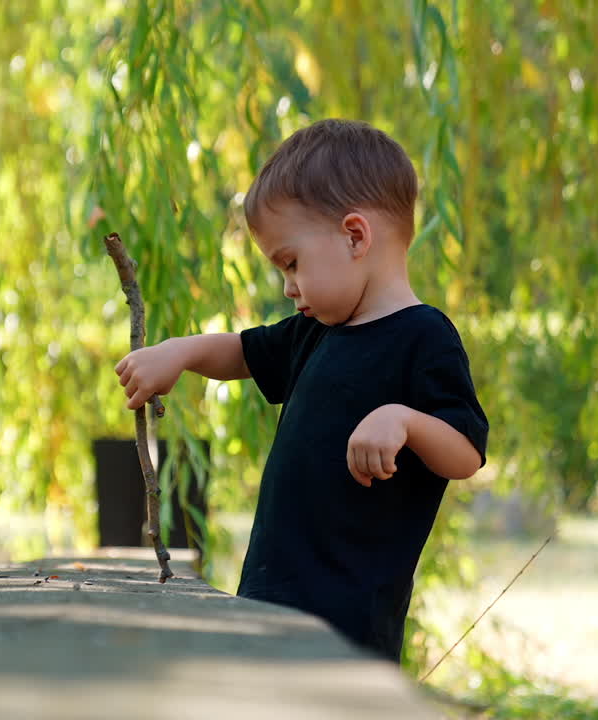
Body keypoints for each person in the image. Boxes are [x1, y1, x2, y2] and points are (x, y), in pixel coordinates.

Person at [112, 118, 488, 664]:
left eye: (291, 263)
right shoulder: (316, 332)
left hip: (348, 630)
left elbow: (466, 451)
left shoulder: (424, 337)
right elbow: (242, 351)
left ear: (355, 236)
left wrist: (403, 420)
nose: (288, 286)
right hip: (269, 605)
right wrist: (181, 352)